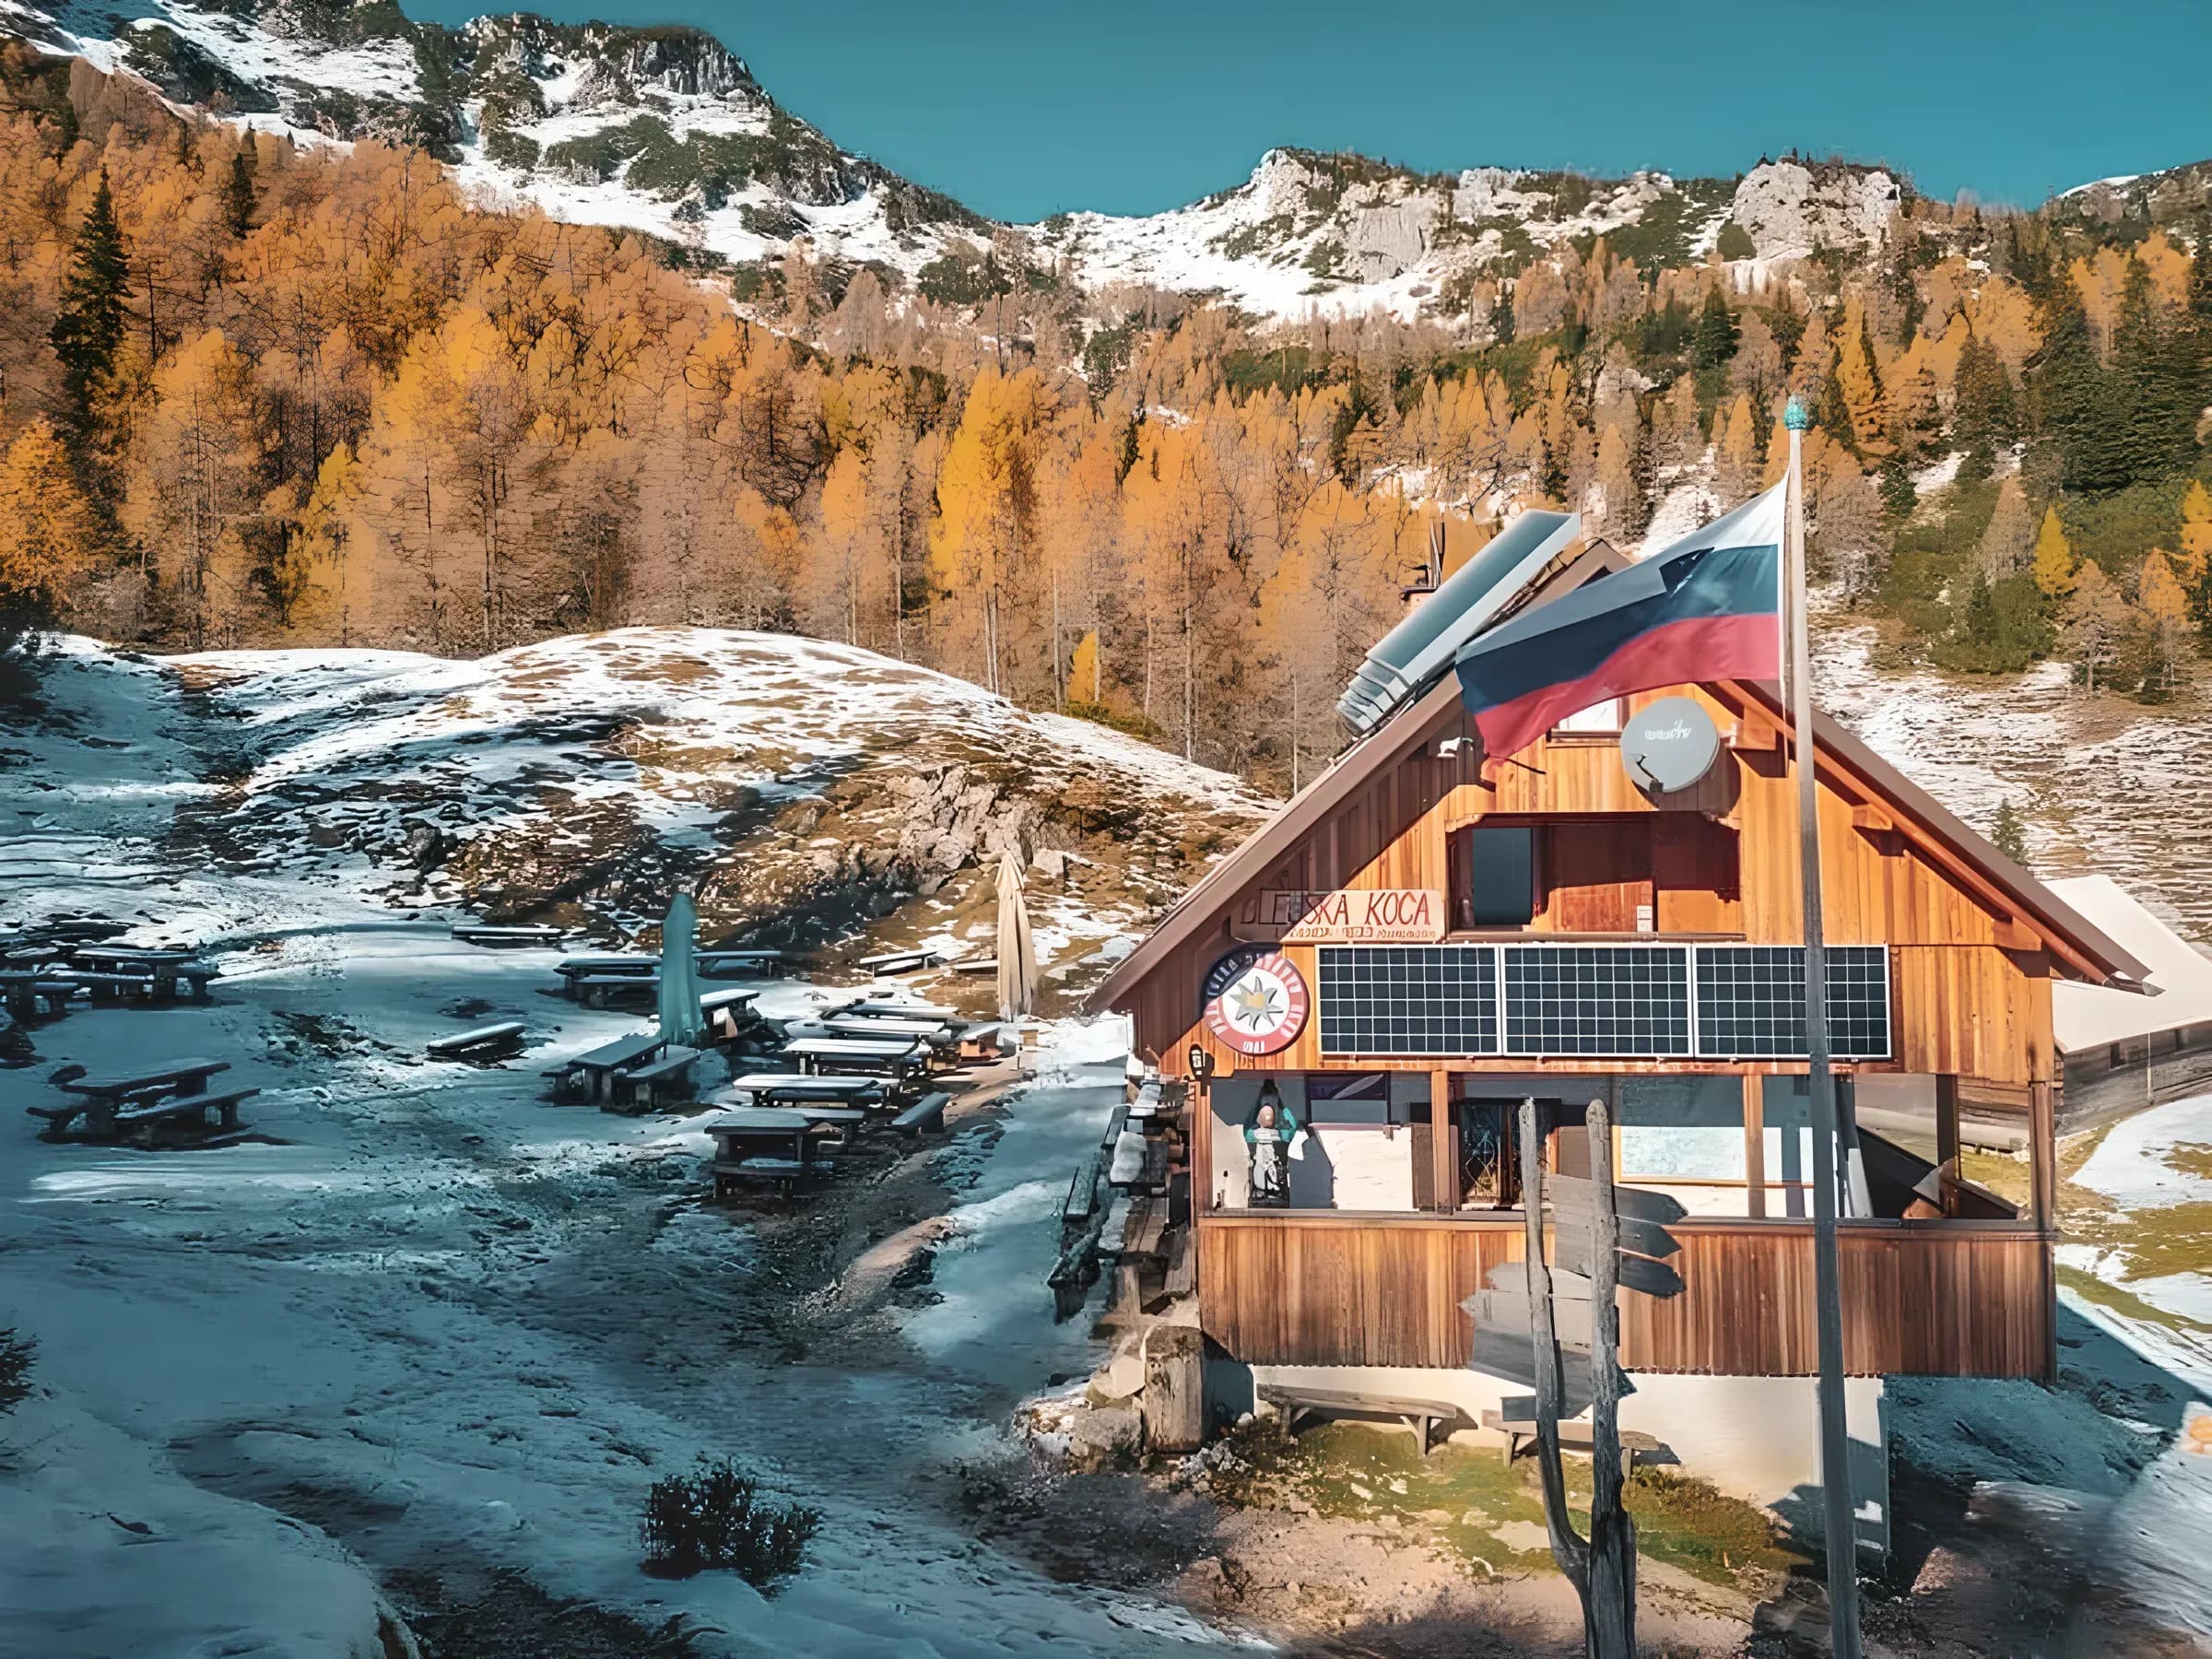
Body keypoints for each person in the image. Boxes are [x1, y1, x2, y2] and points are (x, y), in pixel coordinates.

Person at [1243, 1083, 1300, 1207]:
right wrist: (1282, 1106)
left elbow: (1248, 1122)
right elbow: (1293, 1127)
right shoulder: (1283, 1135)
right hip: (1278, 1193)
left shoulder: (1251, 1135)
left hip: (1258, 1193)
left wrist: (1258, 1103)